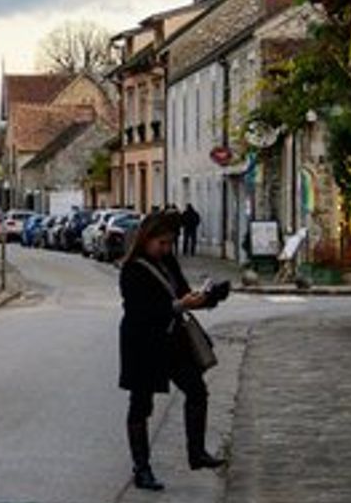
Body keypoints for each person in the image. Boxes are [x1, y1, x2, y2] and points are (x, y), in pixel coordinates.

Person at [118, 210, 224, 491]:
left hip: (172, 338)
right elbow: (143, 311)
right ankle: (142, 469)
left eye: (169, 243)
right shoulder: (132, 269)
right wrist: (180, 305)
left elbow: (183, 294)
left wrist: (209, 297)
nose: (166, 248)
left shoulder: (168, 262)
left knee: (197, 390)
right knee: (141, 404)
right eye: (161, 243)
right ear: (147, 239)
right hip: (142, 342)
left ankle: (196, 452)